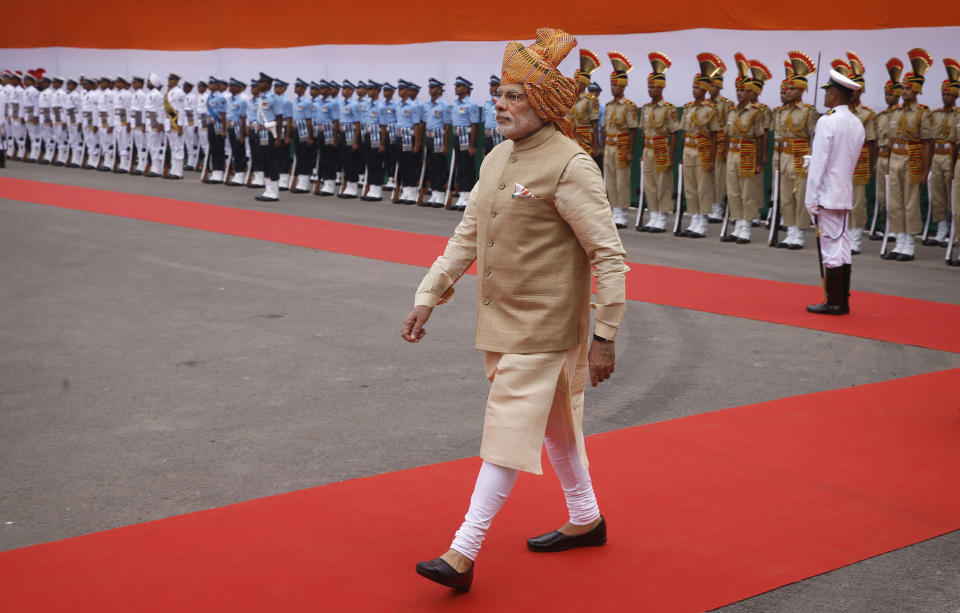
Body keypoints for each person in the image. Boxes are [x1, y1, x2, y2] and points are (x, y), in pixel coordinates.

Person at [403, 27, 628, 593]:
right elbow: (467, 233)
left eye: (515, 95)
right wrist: (429, 295)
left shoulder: (571, 165)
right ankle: (587, 519)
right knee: (555, 428)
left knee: (507, 427)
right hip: (502, 321)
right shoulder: (499, 156)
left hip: (548, 326)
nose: (500, 104)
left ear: (546, 103)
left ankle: (463, 550)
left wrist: (605, 333)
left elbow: (609, 255)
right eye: (499, 93)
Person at [805, 69, 866, 314]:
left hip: (827, 194)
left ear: (835, 94)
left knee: (830, 248)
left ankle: (834, 301)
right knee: (842, 246)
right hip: (843, 192)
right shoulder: (856, 123)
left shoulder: (827, 121)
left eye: (828, 92)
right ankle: (843, 300)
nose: (825, 97)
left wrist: (811, 198)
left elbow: (821, 164)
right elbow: (845, 159)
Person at [881, 48, 934, 262]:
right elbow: (892, 139)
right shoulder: (895, 113)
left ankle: (909, 244)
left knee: (911, 202)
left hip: (914, 157)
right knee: (895, 201)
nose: (904, 92)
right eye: (902, 88)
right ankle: (899, 241)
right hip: (895, 158)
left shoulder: (923, 113)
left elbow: (928, 144)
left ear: (917, 91)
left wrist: (925, 170)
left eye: (908, 88)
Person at [722, 54, 772, 244]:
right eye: (738, 90)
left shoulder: (756, 113)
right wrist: (727, 154)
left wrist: (760, 161)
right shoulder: (732, 111)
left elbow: (760, 137)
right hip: (733, 153)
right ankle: (737, 224)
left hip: (749, 152)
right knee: (733, 191)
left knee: (747, 191)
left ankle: (746, 227)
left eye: (743, 90)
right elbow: (728, 134)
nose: (740, 93)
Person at [773, 51, 817, 249]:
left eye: (792, 89)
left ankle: (798, 233)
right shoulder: (780, 112)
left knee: (800, 196)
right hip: (784, 157)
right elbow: (777, 140)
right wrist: (776, 163)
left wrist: (812, 162)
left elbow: (813, 138)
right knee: (786, 198)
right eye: (787, 89)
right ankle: (789, 231)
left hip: (800, 158)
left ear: (801, 90)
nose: (788, 92)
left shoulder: (808, 112)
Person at [678, 56, 723, 238]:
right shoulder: (688, 108)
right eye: (693, 87)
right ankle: (694, 218)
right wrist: (681, 154)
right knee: (690, 186)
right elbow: (684, 132)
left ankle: (702, 222)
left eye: (697, 87)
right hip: (688, 149)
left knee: (703, 186)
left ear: (704, 89)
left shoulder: (711, 109)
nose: (694, 90)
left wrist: (712, 159)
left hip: (703, 150)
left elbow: (714, 136)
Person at [638, 52, 680, 233]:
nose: (650, 90)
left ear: (661, 88)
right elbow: (642, 131)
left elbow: (675, 134)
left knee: (663, 183)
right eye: (649, 86)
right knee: (650, 183)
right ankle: (653, 214)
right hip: (648, 149)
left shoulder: (669, 109)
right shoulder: (646, 108)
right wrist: (642, 152)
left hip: (662, 147)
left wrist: (671, 156)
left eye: (654, 87)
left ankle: (662, 216)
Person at [840, 53, 877, 254]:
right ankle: (843, 234)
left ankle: (855, 237)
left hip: (859, 160)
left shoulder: (866, 114)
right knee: (842, 199)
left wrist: (870, 165)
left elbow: (871, 143)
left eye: (852, 90)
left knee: (857, 201)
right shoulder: (839, 112)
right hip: (841, 161)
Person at [924, 59, 959, 247]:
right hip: (937, 156)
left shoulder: (958, 115)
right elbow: (929, 140)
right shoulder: (935, 114)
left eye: (948, 94)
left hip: (950, 157)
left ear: (955, 95)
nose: (945, 97)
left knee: (952, 194)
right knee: (937, 195)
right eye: (943, 94)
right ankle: (941, 228)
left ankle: (954, 230)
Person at [603, 51, 638, 228]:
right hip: (609, 146)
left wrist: (630, 150)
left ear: (623, 87)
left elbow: (633, 129)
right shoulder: (608, 105)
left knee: (622, 180)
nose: (613, 88)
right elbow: (604, 128)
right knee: (609, 179)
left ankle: (622, 212)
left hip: (622, 145)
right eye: (611, 84)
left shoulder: (629, 106)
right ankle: (613, 209)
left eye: (615, 85)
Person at [449, 76, 479, 210]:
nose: (456, 88)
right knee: (460, 166)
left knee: (467, 166)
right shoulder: (455, 104)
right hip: (457, 136)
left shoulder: (471, 104)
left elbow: (474, 126)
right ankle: (461, 195)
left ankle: (467, 196)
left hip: (466, 137)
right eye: (456, 86)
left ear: (466, 88)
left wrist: (472, 145)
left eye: (459, 86)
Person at [422, 77, 451, 206]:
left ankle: (440, 193)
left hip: (439, 138)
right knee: (431, 166)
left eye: (433, 87)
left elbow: (447, 126)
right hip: (429, 138)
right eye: (430, 87)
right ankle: (433, 193)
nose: (430, 90)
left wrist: (445, 145)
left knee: (439, 166)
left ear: (439, 90)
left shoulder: (443, 106)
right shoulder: (427, 105)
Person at [569, 49, 601, 158]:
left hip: (585, 142)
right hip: (571, 141)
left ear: (584, 84)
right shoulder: (570, 99)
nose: (574, 84)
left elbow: (595, 126)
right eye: (574, 81)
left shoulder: (591, 99)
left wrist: (595, 147)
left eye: (577, 81)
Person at [481, 75, 501, 156]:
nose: (491, 88)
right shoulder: (486, 104)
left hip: (499, 137)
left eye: (493, 85)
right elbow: (484, 124)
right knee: (487, 159)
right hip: (488, 137)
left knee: (499, 158)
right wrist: (484, 145)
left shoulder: (503, 103)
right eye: (490, 85)